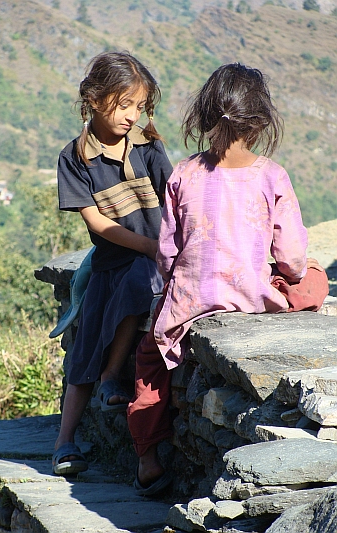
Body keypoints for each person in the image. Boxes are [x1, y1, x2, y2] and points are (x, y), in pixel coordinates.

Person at [127, 63, 329, 496]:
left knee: (149, 364)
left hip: (187, 302)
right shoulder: (271, 175)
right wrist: (292, 274)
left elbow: (167, 253)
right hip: (250, 297)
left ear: (206, 115)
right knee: (313, 279)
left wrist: (176, 289)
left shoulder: (183, 174)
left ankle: (146, 458)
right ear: (258, 122)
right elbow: (290, 257)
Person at [52, 51, 173, 476]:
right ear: (94, 98)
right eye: (124, 105)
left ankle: (110, 378)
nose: (131, 115)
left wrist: (164, 248)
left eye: (139, 106)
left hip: (151, 261)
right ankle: (64, 443)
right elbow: (97, 222)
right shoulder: (75, 157)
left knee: (143, 284)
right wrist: (145, 244)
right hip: (110, 260)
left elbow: (174, 199)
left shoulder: (148, 146)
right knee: (83, 349)